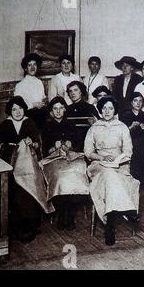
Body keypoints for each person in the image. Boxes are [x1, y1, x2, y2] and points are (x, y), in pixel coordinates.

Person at [84, 96, 140, 246]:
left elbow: (128, 151)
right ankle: (130, 210)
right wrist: (102, 156)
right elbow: (88, 152)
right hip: (99, 165)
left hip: (120, 165)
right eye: (104, 108)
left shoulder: (122, 127)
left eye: (110, 108)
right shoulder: (94, 128)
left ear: (115, 110)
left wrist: (118, 159)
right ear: (100, 110)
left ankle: (110, 226)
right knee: (108, 174)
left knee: (111, 177)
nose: (107, 111)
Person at [0, 97, 52, 242]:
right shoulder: (5, 124)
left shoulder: (29, 122)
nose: (18, 112)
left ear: (24, 109)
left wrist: (31, 143)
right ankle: (17, 224)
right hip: (10, 163)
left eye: (20, 108)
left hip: (28, 164)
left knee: (29, 183)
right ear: (10, 111)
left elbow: (38, 144)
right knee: (12, 185)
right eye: (14, 109)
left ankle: (31, 223)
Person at [41, 96, 90, 231]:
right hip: (54, 159)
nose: (58, 111)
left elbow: (79, 145)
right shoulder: (47, 126)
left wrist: (71, 145)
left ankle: (70, 213)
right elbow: (44, 150)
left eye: (61, 108)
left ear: (64, 109)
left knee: (76, 173)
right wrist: (53, 147)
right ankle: (62, 213)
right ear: (51, 111)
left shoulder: (71, 124)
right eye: (55, 108)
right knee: (60, 176)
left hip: (71, 157)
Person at [120, 92, 144, 190]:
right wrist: (131, 127)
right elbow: (122, 133)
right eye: (135, 101)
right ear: (131, 102)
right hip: (130, 142)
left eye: (140, 101)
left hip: (143, 143)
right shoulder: (126, 115)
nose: (138, 103)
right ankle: (135, 180)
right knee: (138, 146)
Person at [14, 53, 47, 128]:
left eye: (34, 64)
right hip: (28, 116)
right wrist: (33, 105)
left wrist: (44, 101)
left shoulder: (39, 82)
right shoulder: (20, 85)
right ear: (25, 68)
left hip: (41, 115)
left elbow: (43, 98)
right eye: (29, 65)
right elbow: (17, 106)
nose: (32, 67)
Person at [66, 81, 99, 152]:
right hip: (71, 147)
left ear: (81, 92)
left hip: (87, 146)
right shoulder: (68, 109)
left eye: (75, 90)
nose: (72, 93)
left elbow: (98, 129)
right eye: (70, 91)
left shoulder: (90, 108)